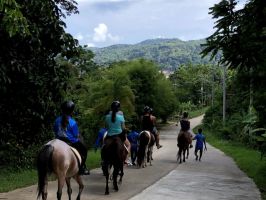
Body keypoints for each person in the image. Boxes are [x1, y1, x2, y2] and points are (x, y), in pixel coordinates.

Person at [54, 100, 90, 175]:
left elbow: (55, 130)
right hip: (71, 142)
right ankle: (82, 168)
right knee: (84, 150)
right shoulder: (72, 122)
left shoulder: (57, 120)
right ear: (71, 111)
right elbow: (76, 135)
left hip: (58, 140)